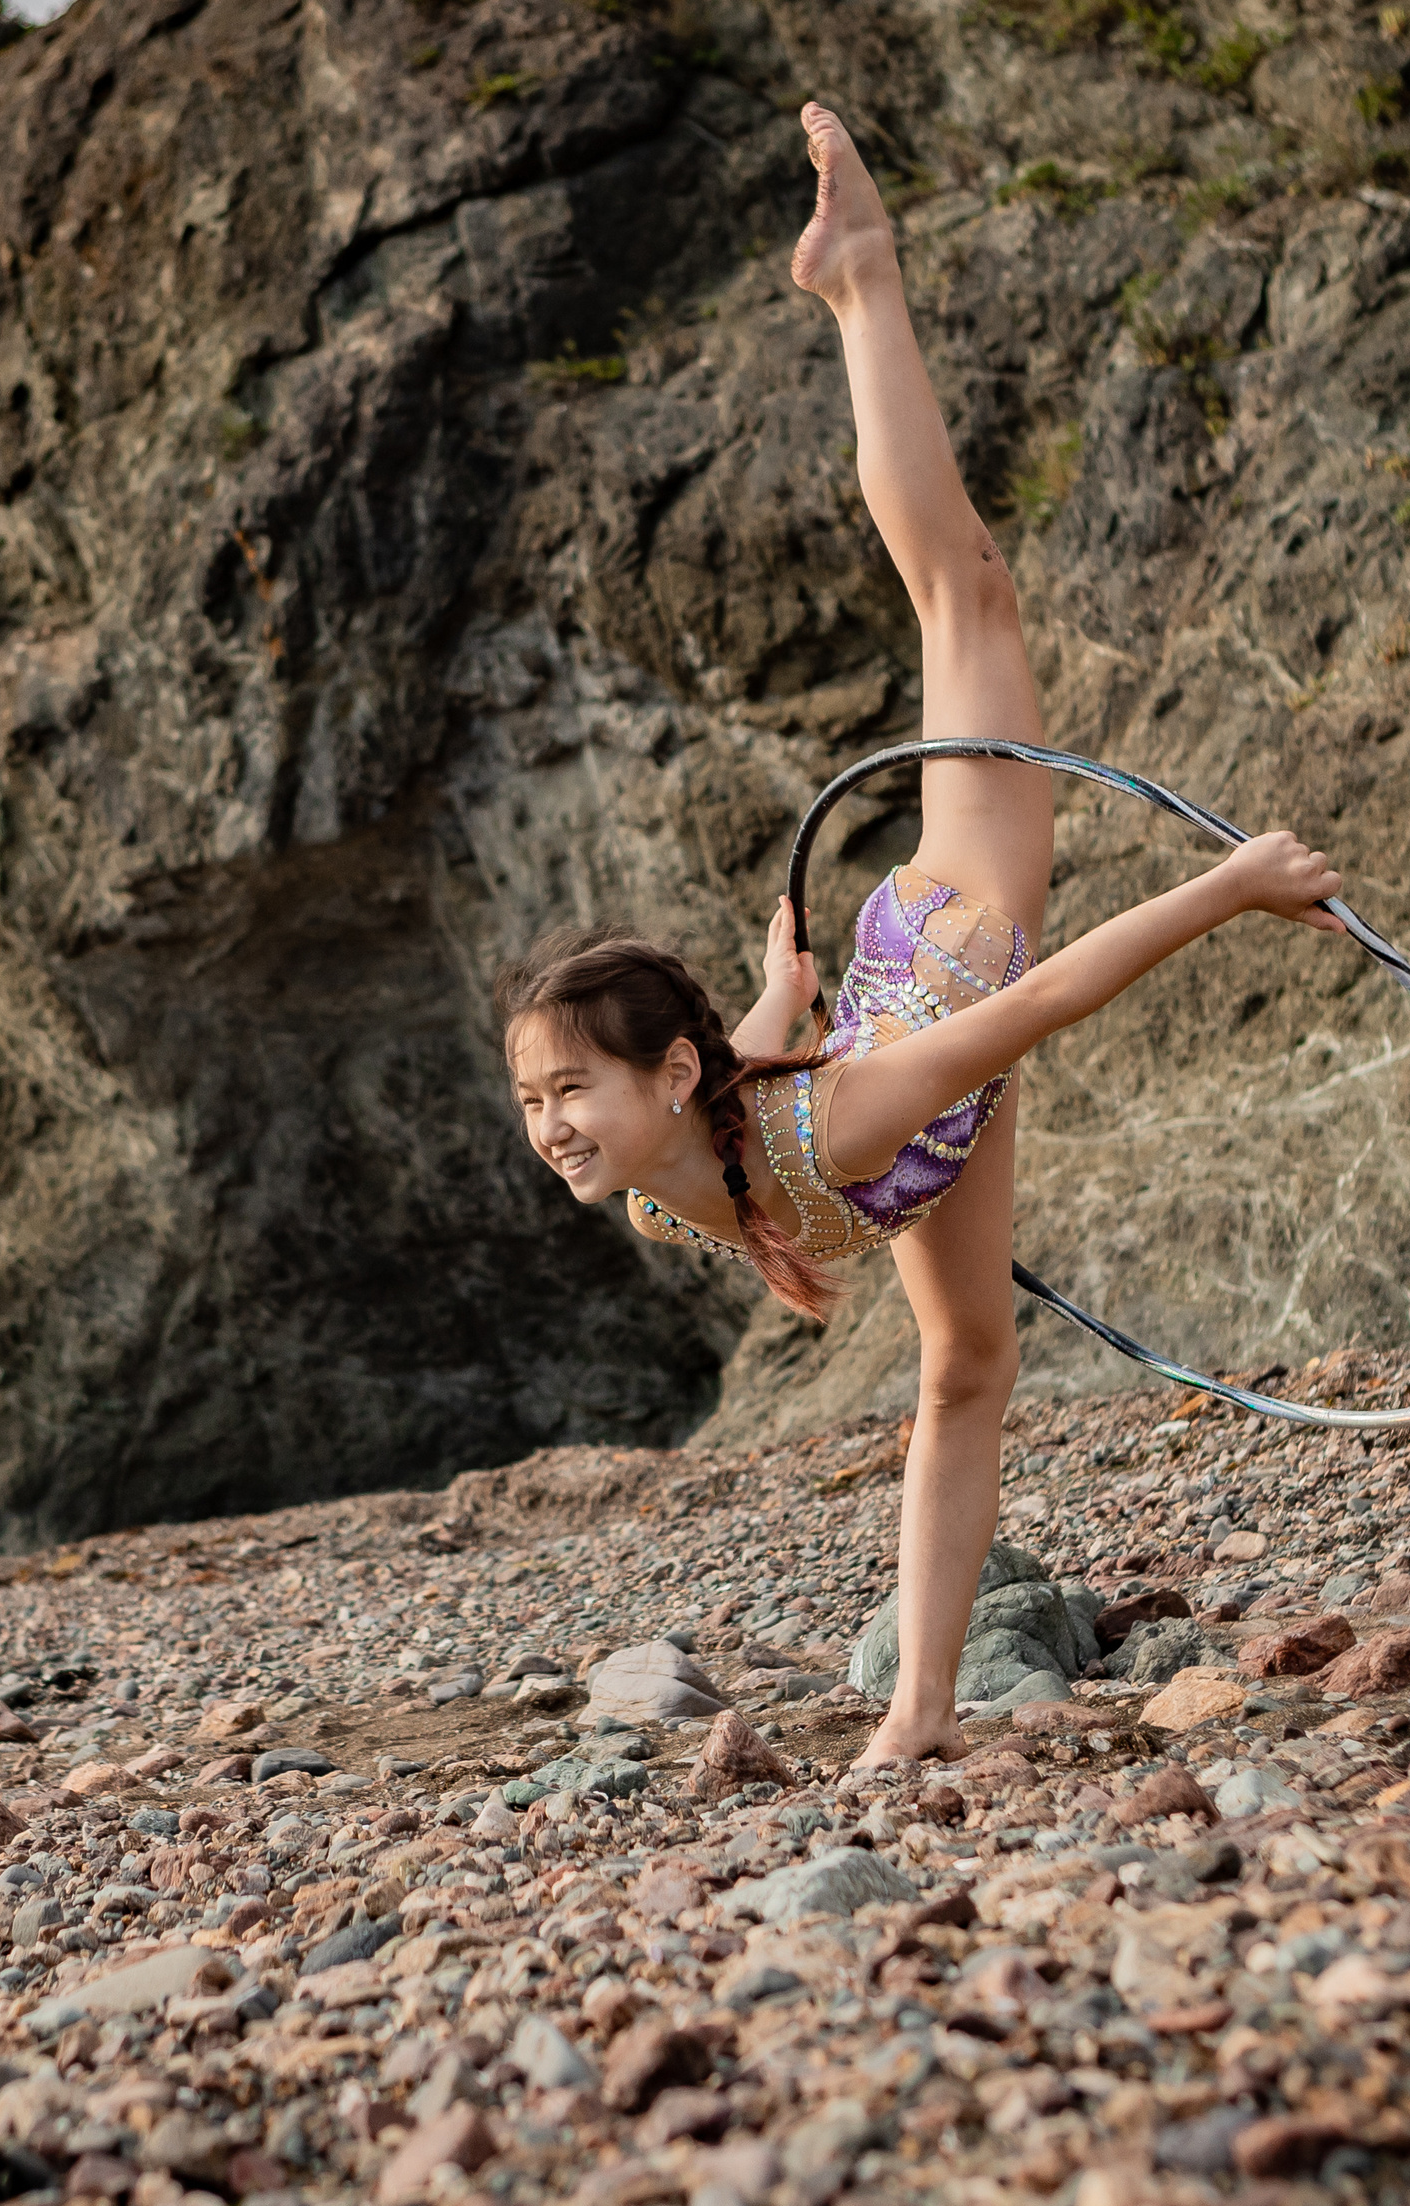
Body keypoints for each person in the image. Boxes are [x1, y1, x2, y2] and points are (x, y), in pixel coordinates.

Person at [495, 103, 1346, 1768]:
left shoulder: (837, 1116)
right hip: (877, 1073)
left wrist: (1232, 885)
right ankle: (921, 1709)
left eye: (566, 1098)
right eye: (532, 1106)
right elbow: (723, 1097)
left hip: (954, 953)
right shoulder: (673, 1171)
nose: (551, 1131)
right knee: (964, 1370)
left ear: (662, 1076)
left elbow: (1054, 994)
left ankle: (863, 282)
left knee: (966, 594)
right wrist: (769, 1004)